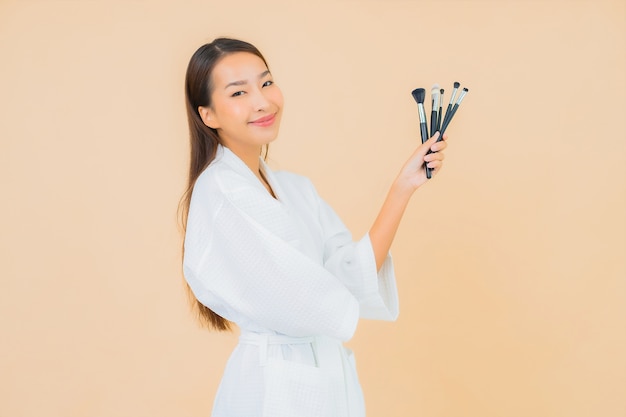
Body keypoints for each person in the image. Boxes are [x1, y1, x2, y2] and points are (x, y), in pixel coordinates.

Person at [180, 38, 448, 417]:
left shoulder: (295, 188)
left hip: (324, 381)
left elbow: (349, 276)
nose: (262, 101)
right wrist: (332, 296)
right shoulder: (221, 193)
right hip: (272, 391)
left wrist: (403, 186)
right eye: (239, 92)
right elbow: (307, 300)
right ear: (208, 115)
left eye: (266, 83)